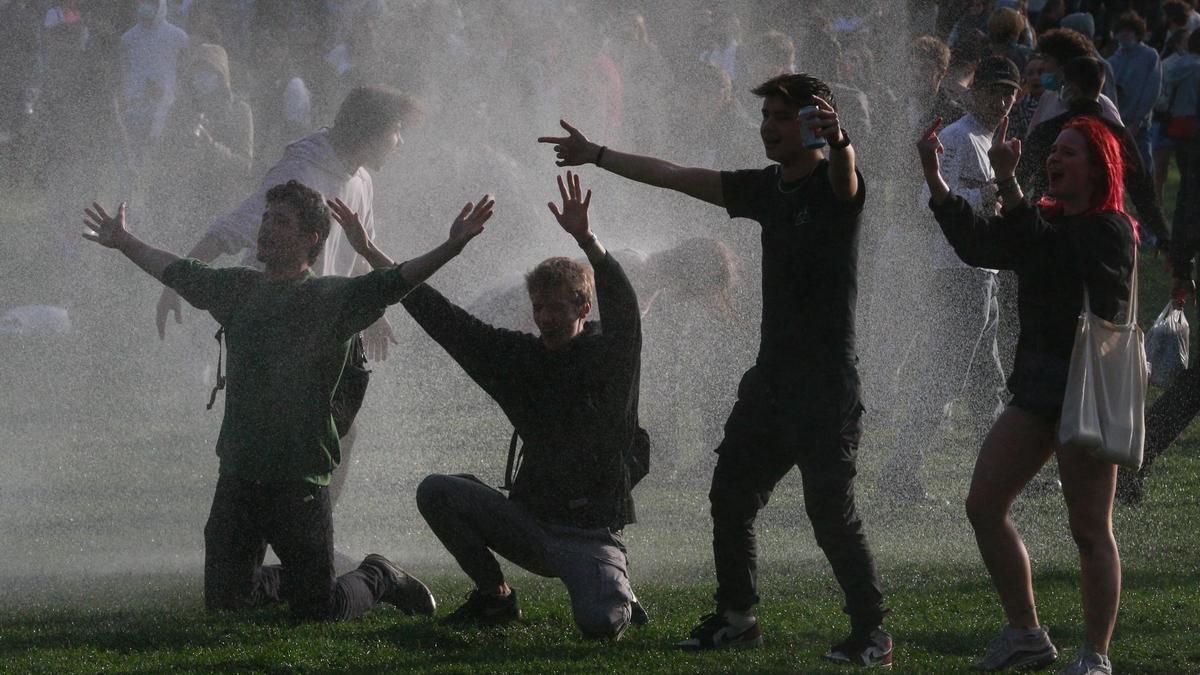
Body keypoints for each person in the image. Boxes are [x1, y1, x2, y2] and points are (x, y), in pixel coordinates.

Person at [538, 73, 891, 667]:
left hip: (827, 386)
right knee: (730, 495)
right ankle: (737, 618)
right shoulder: (766, 188)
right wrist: (597, 155)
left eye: (783, 117)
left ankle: (872, 632)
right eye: (766, 116)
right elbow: (675, 175)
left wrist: (842, 142)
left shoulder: (836, 187)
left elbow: (845, 172)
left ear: (814, 124)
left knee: (830, 512)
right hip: (771, 380)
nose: (769, 127)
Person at [80, 180, 497, 621]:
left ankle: (378, 575)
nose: (266, 228)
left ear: (311, 239)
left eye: (281, 221)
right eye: (265, 218)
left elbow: (400, 279)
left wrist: (452, 247)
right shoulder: (238, 288)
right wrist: (124, 241)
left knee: (321, 609)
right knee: (226, 604)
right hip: (239, 473)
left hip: (299, 479)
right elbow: (176, 269)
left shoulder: (333, 298)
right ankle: (295, 580)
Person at [331, 172, 645, 639]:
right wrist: (371, 253)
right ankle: (494, 597)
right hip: (531, 524)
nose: (544, 318)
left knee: (600, 625)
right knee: (438, 491)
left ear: (583, 309)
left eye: (557, 308)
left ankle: (615, 586)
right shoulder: (520, 357)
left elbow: (624, 309)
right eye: (539, 306)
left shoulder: (611, 358)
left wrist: (588, 241)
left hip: (590, 535)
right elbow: (446, 321)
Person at [918, 113, 1136, 674]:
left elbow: (1055, 257)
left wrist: (1013, 189)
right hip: (1038, 384)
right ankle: (1025, 633)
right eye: (1054, 152)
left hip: (1085, 389)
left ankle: (1096, 657)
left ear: (1099, 167)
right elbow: (980, 246)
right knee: (984, 504)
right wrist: (937, 184)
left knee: (1089, 528)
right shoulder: (1045, 220)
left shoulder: (1110, 229)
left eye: (1070, 153)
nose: (1055, 160)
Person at [879, 56, 1020, 506]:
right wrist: (986, 194)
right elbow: (931, 198)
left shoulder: (993, 139)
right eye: (993, 91)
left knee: (988, 380)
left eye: (1008, 93)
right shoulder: (958, 137)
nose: (1000, 101)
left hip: (986, 273)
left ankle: (1008, 470)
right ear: (974, 92)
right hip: (960, 272)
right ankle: (900, 472)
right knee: (945, 378)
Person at [1018, 57, 1170, 247]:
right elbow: (1142, 187)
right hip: (1104, 228)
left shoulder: (1049, 130)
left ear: (1071, 88)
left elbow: (1020, 175)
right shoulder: (1117, 133)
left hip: (1053, 226)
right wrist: (1163, 237)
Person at [1025, 28, 1122, 136]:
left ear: (1065, 66)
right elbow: (1032, 137)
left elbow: (1120, 143)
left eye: (1047, 60)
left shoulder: (1102, 103)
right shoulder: (1048, 97)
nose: (1042, 66)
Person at [1108, 11, 1162, 172]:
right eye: (1121, 31)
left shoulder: (1149, 56)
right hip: (1117, 125)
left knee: (1144, 171)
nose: (1125, 34)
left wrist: (1138, 121)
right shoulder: (1112, 62)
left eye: (1129, 30)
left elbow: (1152, 91)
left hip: (1141, 126)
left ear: (1137, 33)